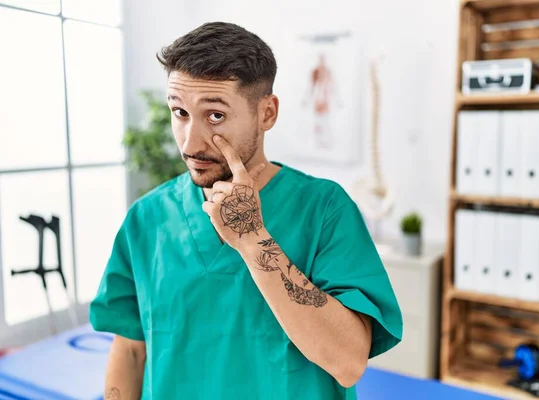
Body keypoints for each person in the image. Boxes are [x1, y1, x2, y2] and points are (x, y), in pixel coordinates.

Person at [89, 21, 403, 400]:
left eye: (215, 116)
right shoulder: (146, 218)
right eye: (180, 112)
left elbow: (349, 363)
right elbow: (132, 350)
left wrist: (253, 238)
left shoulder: (324, 209)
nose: (191, 142)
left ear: (266, 113)